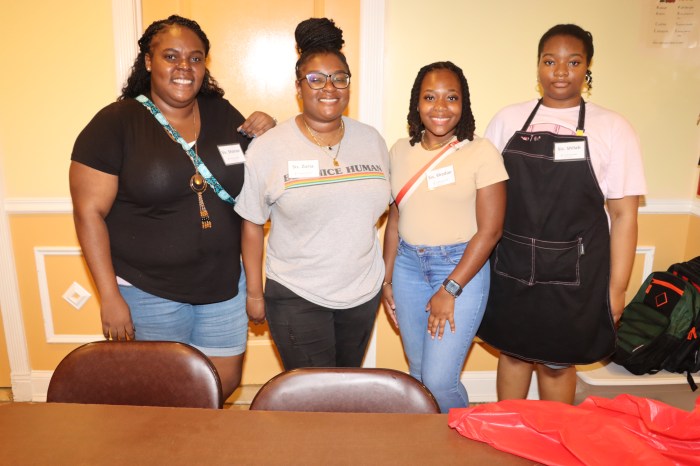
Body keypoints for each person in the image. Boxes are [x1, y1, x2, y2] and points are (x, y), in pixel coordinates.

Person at [69, 15, 276, 399]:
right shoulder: (115, 122)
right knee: (164, 390)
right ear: (149, 61)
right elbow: (88, 214)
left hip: (223, 285)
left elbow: (258, 174)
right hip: (149, 290)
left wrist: (269, 127)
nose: (184, 67)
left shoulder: (221, 113)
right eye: (171, 56)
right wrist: (109, 296)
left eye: (195, 58)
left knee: (222, 382)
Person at [477, 24, 647, 404]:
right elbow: (486, 198)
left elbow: (624, 217)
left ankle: (555, 443)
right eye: (549, 61)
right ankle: (507, 435)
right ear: (537, 67)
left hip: (575, 272)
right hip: (513, 262)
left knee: (557, 363)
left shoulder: (613, 128)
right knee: (513, 353)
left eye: (573, 62)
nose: (559, 71)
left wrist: (616, 290)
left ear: (587, 68)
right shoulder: (508, 120)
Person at [235, 18, 391, 370]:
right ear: (299, 86)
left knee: (346, 386)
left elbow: (393, 208)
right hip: (296, 294)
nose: (329, 87)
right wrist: (255, 292)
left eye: (339, 78)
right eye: (316, 79)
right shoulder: (269, 147)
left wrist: (387, 277)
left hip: (363, 292)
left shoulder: (372, 141)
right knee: (311, 395)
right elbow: (251, 224)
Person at [381, 62, 507, 412]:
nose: (440, 107)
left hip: (459, 269)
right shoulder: (399, 151)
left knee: (439, 380)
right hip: (406, 266)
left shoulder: (481, 152)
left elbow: (491, 230)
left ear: (463, 103)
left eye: (451, 97)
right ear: (416, 103)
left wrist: (450, 288)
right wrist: (386, 277)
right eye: (430, 97)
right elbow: (395, 218)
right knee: (420, 373)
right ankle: (431, 445)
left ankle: (468, 438)